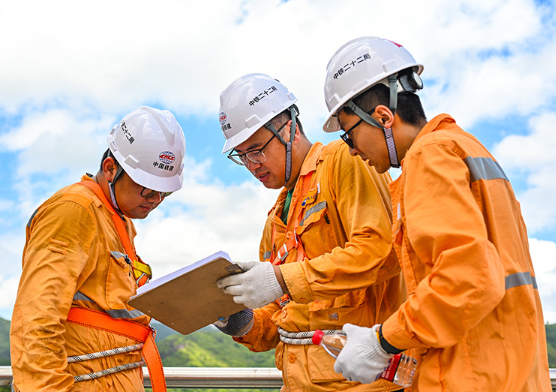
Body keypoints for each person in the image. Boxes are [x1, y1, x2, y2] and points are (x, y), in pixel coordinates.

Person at [321, 36, 551, 391]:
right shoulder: (465, 147)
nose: (351, 151)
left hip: (469, 376)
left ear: (383, 116)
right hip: (511, 371)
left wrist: (383, 340)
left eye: (349, 136)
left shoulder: (429, 158)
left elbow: (468, 275)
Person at [214, 73, 405, 392]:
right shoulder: (276, 218)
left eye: (256, 150)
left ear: (288, 129)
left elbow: (383, 249)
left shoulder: (345, 161)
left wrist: (282, 278)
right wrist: (238, 319)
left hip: (362, 384)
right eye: (241, 155)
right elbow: (280, 318)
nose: (251, 164)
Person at [10, 106, 186, 392]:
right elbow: (37, 317)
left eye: (164, 192)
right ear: (110, 169)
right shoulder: (73, 210)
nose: (156, 200)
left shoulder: (118, 220)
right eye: (147, 189)